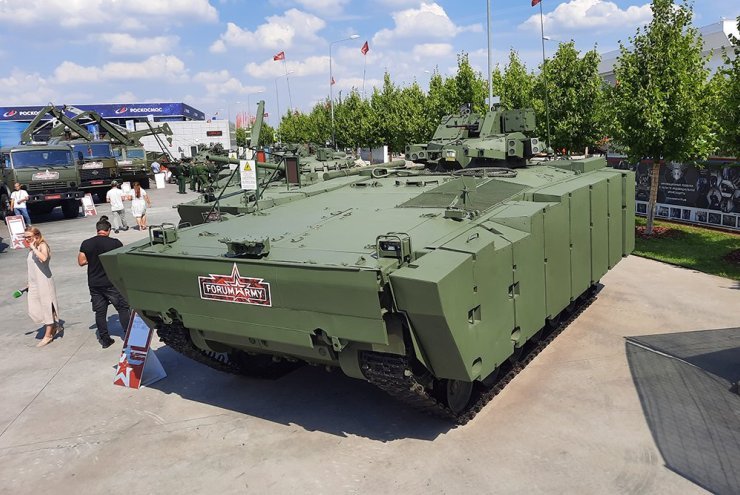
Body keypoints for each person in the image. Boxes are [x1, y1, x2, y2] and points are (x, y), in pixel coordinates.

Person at [78, 216, 131, 348]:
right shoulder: (115, 243)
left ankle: (105, 340)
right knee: (122, 309)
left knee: (100, 312)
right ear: (108, 230)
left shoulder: (86, 243)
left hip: (94, 283)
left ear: (97, 230)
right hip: (111, 282)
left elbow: (81, 262)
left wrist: (93, 259)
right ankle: (129, 336)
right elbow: (121, 261)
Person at [24, 226, 61, 347]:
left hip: (44, 281)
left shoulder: (42, 245)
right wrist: (29, 282)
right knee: (34, 308)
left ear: (36, 236)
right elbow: (32, 268)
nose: (27, 239)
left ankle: (48, 334)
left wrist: (34, 248)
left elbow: (44, 258)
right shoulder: (31, 249)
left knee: (46, 307)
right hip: (34, 283)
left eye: (29, 237)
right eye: (25, 237)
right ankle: (54, 325)